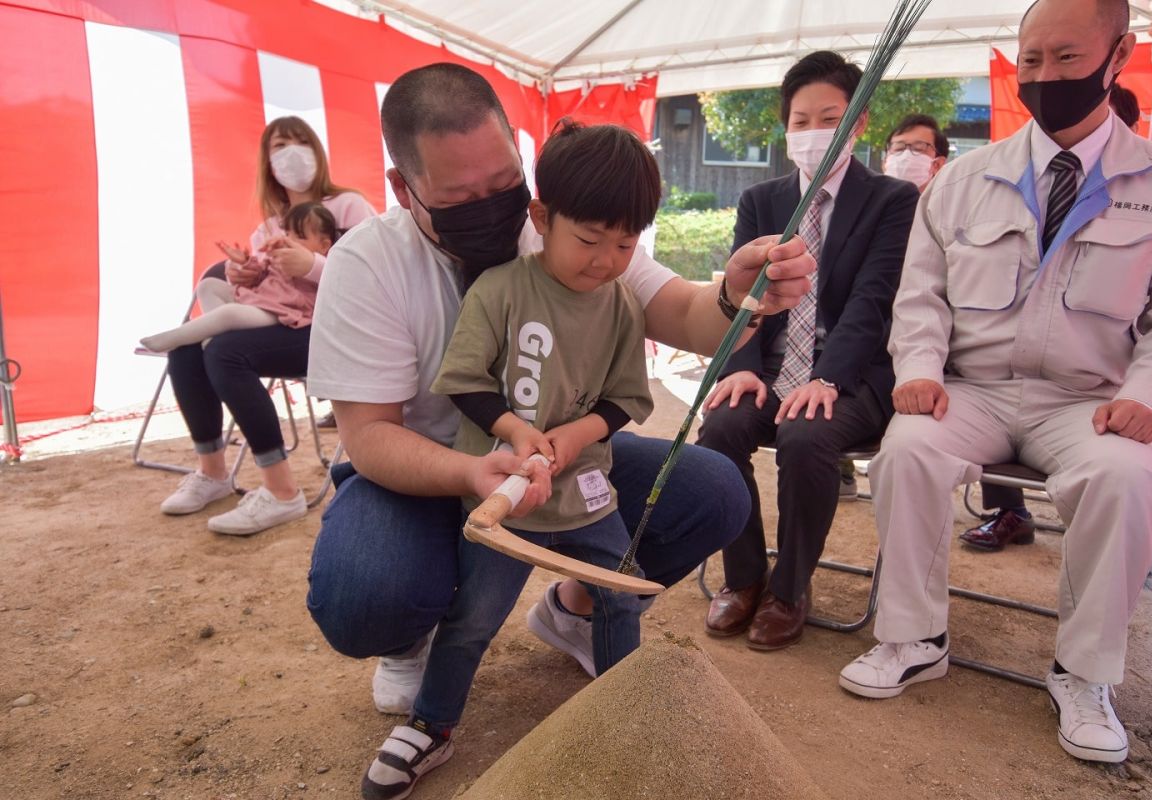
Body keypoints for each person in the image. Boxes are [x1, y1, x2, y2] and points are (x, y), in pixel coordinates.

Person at [302, 63, 814, 800]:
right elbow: (371, 436)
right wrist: (481, 469)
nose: (494, 208)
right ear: (402, 187)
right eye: (460, 197)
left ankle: (579, 622)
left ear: (522, 164)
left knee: (706, 497)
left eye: (505, 183)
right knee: (370, 594)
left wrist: (736, 293)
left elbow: (680, 315)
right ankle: (420, 668)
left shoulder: (576, 231)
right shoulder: (369, 264)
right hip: (427, 473)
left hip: (563, 472)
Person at [838, 0, 1152, 766]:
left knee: (1127, 483)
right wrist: (921, 372)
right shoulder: (966, 179)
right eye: (1031, 60)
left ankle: (1082, 675)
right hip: (974, 388)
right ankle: (914, 636)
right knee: (906, 451)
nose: (1045, 76)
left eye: (1067, 59)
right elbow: (921, 294)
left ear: (1119, 55)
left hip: (1091, 400)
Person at [430, 120, 657, 711]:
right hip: (503, 489)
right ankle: (431, 724)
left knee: (618, 598)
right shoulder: (500, 289)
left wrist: (579, 432)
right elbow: (463, 381)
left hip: (584, 489)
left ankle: (617, 718)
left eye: (625, 244)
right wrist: (514, 428)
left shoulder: (624, 307)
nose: (606, 260)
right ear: (541, 216)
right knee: (474, 618)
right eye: (589, 239)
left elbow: (626, 398)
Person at [698, 51, 918, 651]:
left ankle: (790, 589)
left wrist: (827, 377)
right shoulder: (761, 201)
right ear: (786, 126)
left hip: (851, 375)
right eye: (801, 120)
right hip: (770, 366)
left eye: (831, 117)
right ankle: (744, 578)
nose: (815, 132)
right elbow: (742, 293)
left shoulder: (892, 201)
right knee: (719, 427)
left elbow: (874, 302)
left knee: (806, 435)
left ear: (861, 122)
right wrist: (741, 366)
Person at [958, 81, 1152, 551]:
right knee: (995, 377)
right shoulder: (1019, 184)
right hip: (1024, 373)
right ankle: (1010, 511)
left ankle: (1123, 534)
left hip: (1112, 380)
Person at [158, 116, 376, 535]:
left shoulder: (349, 206)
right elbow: (265, 284)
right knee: (187, 347)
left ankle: (281, 493)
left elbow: (373, 279)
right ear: (267, 161)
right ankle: (213, 473)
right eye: (280, 145)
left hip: (334, 331)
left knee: (225, 351)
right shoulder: (268, 228)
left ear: (316, 148)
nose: (291, 153)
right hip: (282, 322)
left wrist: (312, 264)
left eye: (300, 141)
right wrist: (243, 278)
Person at [140, 203, 340, 353]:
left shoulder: (324, 266)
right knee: (208, 286)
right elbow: (261, 275)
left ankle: (173, 338)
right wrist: (245, 262)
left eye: (300, 236)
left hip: (281, 313)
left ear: (323, 245)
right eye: (287, 233)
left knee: (229, 314)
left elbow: (331, 289)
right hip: (256, 300)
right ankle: (216, 335)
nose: (289, 240)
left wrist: (309, 265)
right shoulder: (279, 255)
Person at [883, 113, 949, 190]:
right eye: (899, 149)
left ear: (937, 165)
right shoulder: (870, 200)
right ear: (885, 162)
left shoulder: (950, 201)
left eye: (918, 149)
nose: (905, 156)